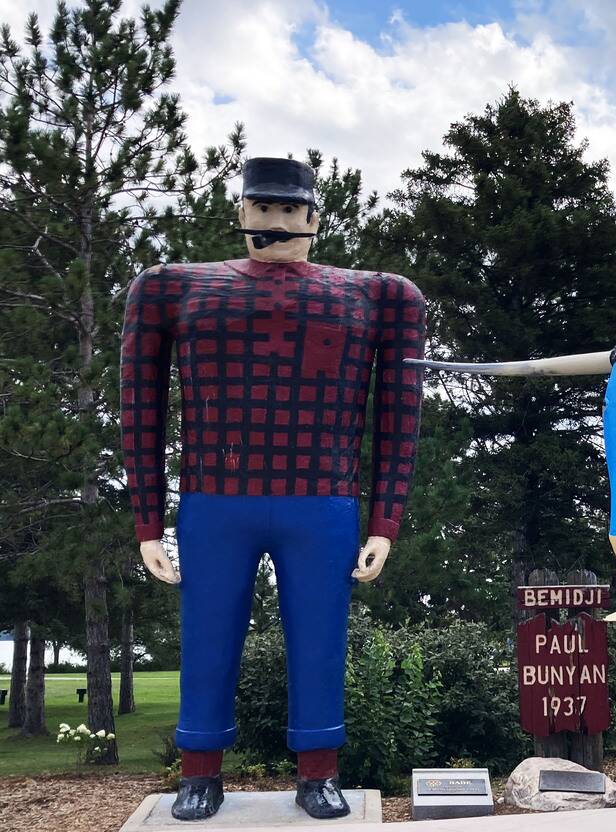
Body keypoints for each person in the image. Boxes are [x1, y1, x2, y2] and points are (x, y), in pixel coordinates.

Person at [119, 157, 425, 820]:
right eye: (264, 209)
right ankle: (199, 770)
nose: (277, 223)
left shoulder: (380, 295)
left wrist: (384, 523)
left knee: (320, 637)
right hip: (215, 496)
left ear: (315, 218)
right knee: (206, 634)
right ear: (242, 214)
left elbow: (400, 413)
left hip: (321, 499)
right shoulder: (170, 288)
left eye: (291, 211)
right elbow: (139, 407)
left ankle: (319, 770)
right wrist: (147, 522)